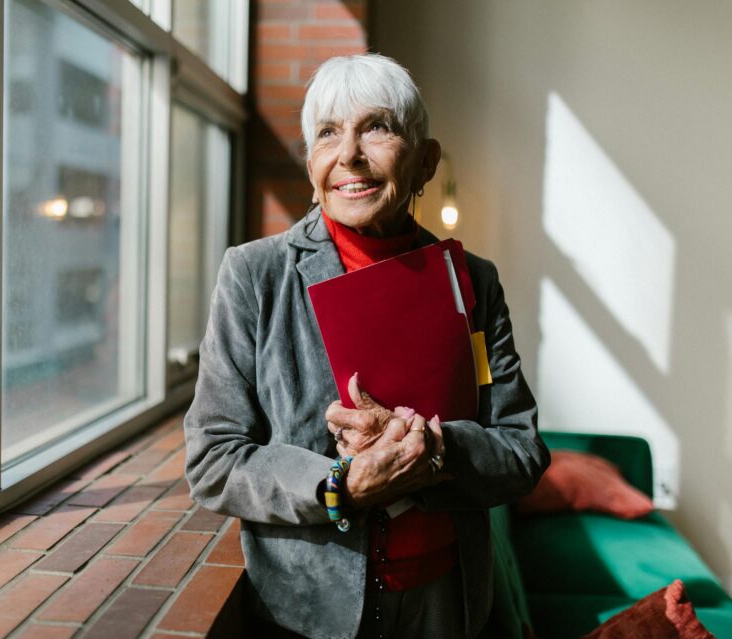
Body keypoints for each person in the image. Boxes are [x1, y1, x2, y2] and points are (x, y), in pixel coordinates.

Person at [184, 53, 549, 639]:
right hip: (306, 613)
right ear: (312, 164)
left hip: (447, 606)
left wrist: (434, 448)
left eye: (376, 127)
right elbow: (213, 460)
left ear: (425, 160)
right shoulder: (255, 274)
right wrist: (339, 484)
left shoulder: (472, 280)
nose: (348, 155)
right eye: (328, 133)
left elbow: (521, 452)